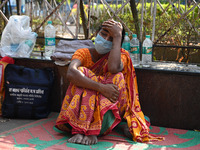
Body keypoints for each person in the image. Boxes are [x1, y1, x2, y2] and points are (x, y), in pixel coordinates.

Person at [55, 19, 164, 145]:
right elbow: (71, 73)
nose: (106, 39)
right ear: (96, 33)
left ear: (117, 43)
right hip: (86, 106)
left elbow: (113, 68)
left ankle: (96, 129)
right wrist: (100, 87)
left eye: (112, 38)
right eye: (104, 34)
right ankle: (87, 127)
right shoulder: (84, 53)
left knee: (116, 77)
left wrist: (118, 36)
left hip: (110, 106)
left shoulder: (122, 56)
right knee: (81, 72)